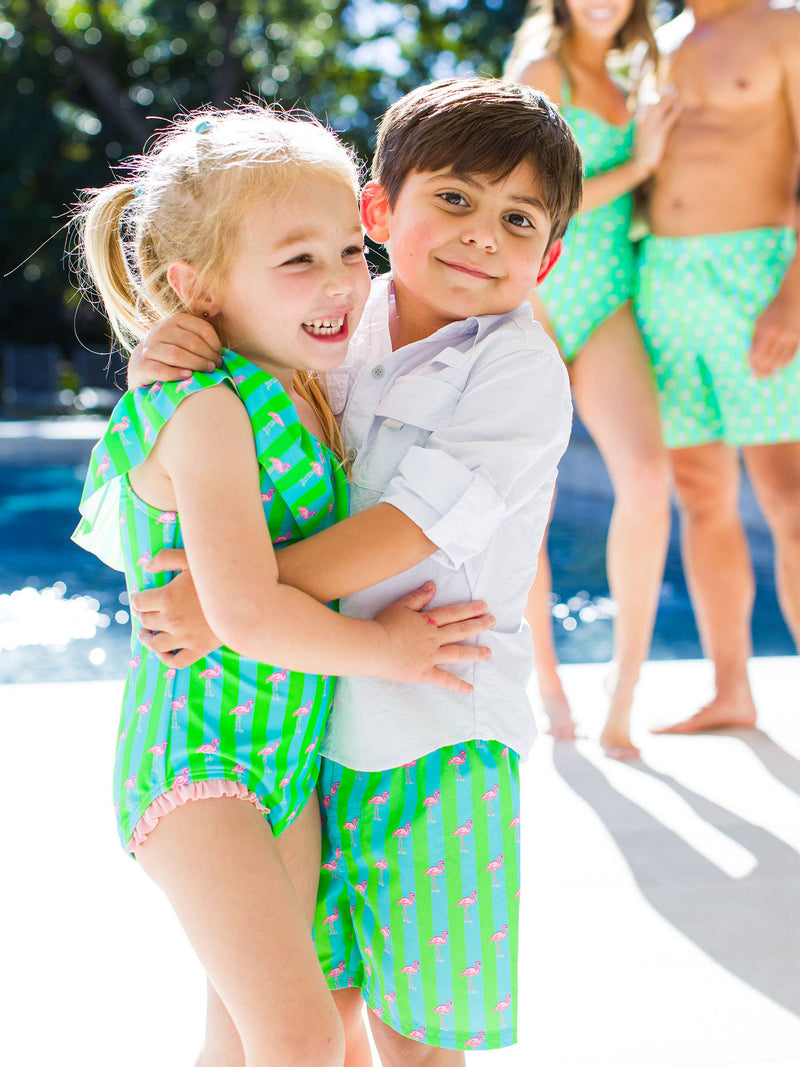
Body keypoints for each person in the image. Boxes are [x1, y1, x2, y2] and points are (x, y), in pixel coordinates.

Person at [125, 78, 582, 1063]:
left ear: (547, 257)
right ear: (378, 211)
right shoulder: (340, 317)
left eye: (516, 220)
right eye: (453, 200)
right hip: (311, 737)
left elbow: (398, 529)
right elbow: (211, 406)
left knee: (413, 1036)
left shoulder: (513, 370)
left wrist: (229, 594)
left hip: (436, 737)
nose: (481, 235)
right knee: (316, 1012)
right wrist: (165, 359)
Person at [505, 0, 681, 759]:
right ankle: (547, 680)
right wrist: (639, 163)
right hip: (535, 301)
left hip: (610, 298)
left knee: (647, 479)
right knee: (529, 506)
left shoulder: (636, 79)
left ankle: (625, 689)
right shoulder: (540, 71)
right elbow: (531, 198)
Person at [635, 0, 800, 733]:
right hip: (661, 283)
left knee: (790, 503)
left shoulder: (785, 27)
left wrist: (793, 297)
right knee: (701, 495)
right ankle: (731, 690)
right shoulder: (653, 44)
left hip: (756, 277)